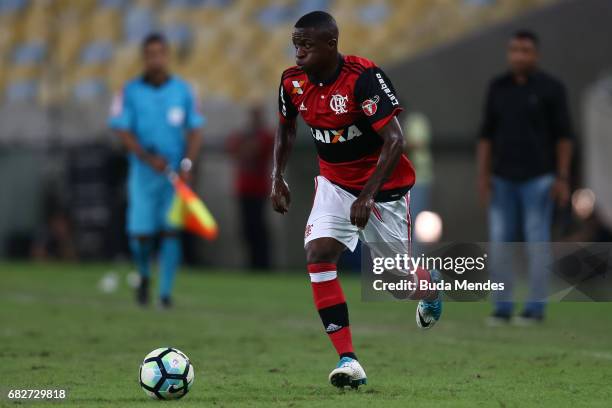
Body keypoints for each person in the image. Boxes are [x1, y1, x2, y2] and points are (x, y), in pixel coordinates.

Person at [270, 11, 442, 389]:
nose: (299, 52)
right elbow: (285, 130)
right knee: (318, 254)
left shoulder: (364, 79)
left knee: (397, 283)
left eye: (307, 45)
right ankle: (349, 360)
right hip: (334, 184)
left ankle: (428, 285)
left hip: (384, 189)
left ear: (331, 44)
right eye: (295, 44)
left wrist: (367, 195)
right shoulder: (292, 82)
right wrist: (277, 176)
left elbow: (395, 140)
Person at [477, 30, 573, 324]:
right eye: (514, 50)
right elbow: (485, 136)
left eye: (525, 50)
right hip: (502, 177)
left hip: (539, 179)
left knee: (536, 243)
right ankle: (502, 308)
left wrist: (562, 178)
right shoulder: (497, 87)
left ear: (536, 54)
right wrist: (483, 175)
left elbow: (564, 137)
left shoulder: (551, 88)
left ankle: (534, 308)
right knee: (500, 243)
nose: (519, 55)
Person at [108, 33, 205, 308]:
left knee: (171, 231)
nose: (156, 59)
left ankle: (164, 294)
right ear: (144, 57)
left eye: (160, 53)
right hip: (143, 172)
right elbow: (121, 129)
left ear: (167, 56)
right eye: (150, 54)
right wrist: (146, 156)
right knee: (140, 235)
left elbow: (196, 129)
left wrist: (187, 164)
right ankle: (142, 274)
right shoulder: (129, 91)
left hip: (174, 175)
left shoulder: (184, 90)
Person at [227, 105, 274, 270]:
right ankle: (252, 263)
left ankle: (263, 263)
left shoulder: (265, 136)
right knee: (246, 228)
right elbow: (232, 147)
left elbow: (255, 149)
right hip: (243, 188)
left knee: (258, 226)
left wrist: (246, 145)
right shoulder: (243, 135)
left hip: (259, 189)